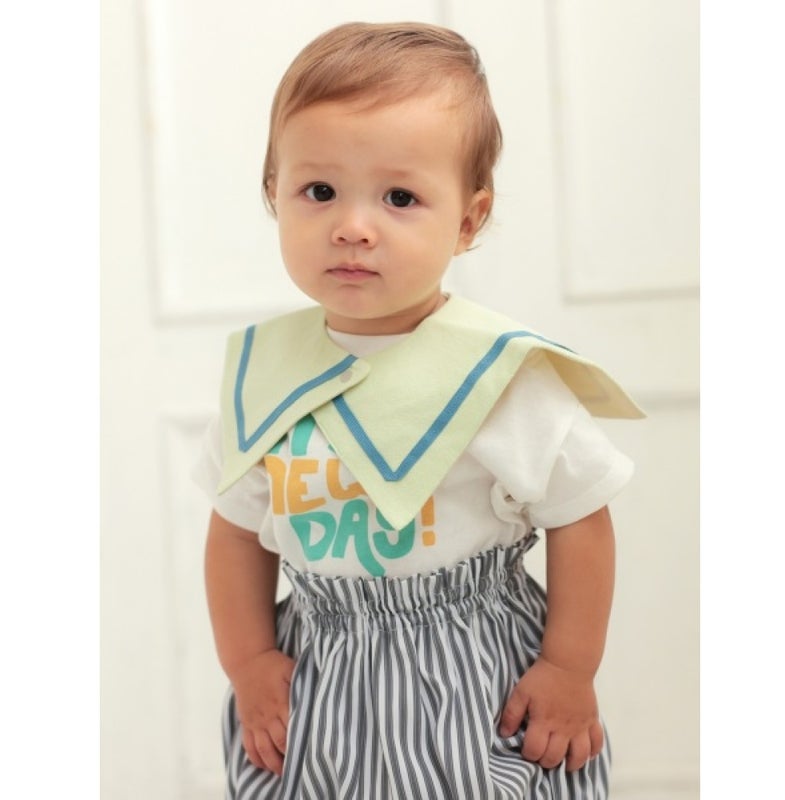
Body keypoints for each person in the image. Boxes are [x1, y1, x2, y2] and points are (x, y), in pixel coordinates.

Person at [193, 20, 644, 800]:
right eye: (319, 191)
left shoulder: (500, 375)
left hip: (474, 677)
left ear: (467, 220)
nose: (352, 226)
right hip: (322, 680)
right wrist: (250, 662)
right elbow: (235, 533)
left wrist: (569, 667)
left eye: (400, 197)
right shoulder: (264, 380)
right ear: (274, 193)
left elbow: (581, 517)